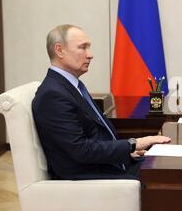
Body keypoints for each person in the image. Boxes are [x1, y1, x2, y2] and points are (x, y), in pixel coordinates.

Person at [32, 24, 170, 180]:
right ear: (59, 50)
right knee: (166, 176)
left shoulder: (71, 85)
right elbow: (80, 149)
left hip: (105, 164)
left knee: (166, 165)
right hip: (88, 176)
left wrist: (127, 152)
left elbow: (96, 135)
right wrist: (134, 143)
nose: (90, 55)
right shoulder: (52, 95)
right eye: (82, 48)